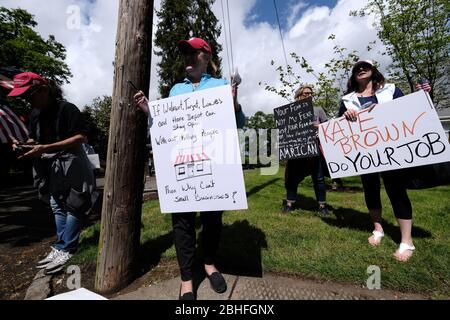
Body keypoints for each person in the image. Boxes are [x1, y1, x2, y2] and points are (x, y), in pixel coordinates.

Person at [134, 37, 246, 300]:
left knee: (212, 220)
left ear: (206, 57)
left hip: (213, 165)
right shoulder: (175, 91)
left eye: (193, 53)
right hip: (183, 164)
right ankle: (186, 279)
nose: (188, 58)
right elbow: (164, 125)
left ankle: (208, 263)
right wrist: (148, 110)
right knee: (182, 222)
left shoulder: (221, 86)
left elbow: (238, 122)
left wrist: (234, 102)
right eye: (185, 53)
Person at [338, 60, 432, 262]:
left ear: (373, 71)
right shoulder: (347, 99)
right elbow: (339, 127)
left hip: (392, 151)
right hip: (365, 153)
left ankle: (407, 241)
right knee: (370, 189)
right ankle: (378, 229)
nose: (361, 70)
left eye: (365, 67)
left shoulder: (391, 90)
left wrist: (424, 95)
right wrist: (347, 115)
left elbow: (411, 110)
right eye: (357, 69)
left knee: (396, 190)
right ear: (354, 75)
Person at [8, 72, 97, 274]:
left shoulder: (67, 109)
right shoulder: (35, 114)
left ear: (44, 89)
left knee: (75, 204)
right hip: (50, 163)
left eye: (29, 94)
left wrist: (46, 147)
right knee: (57, 204)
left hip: (71, 160)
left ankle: (68, 248)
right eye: (24, 96)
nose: (27, 100)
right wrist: (22, 144)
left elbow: (81, 137)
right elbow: (33, 138)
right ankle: (60, 246)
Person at [283, 85, 329, 217]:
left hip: (315, 148)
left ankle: (322, 206)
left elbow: (328, 126)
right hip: (297, 149)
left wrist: (320, 126)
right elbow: (285, 130)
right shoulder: (290, 111)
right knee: (292, 177)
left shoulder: (318, 110)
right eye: (305, 94)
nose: (309, 96)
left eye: (310, 94)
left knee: (319, 178)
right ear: (298, 96)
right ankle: (289, 204)